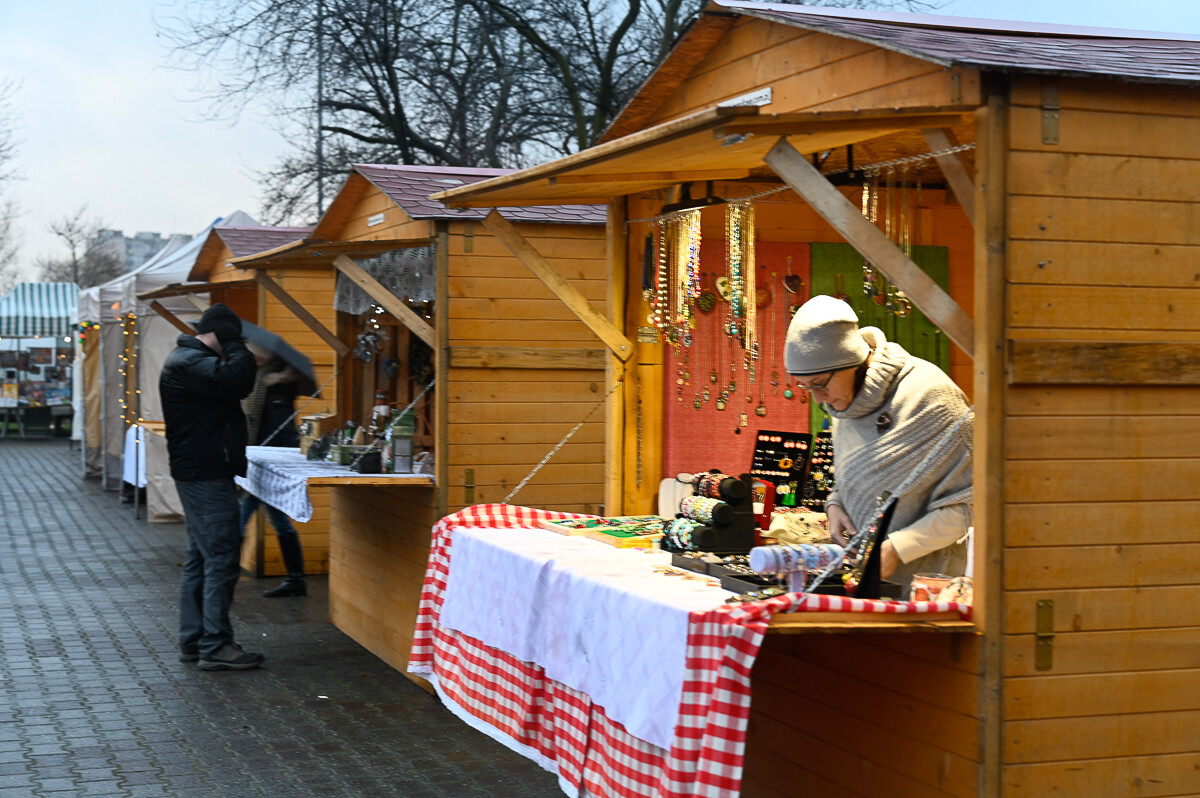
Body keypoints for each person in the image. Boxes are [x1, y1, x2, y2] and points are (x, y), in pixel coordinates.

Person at [783, 295, 973, 593]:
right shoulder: (844, 404)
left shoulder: (933, 397)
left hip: (929, 586)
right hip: (865, 580)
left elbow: (969, 505)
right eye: (805, 386)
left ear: (852, 362)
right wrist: (835, 505)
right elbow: (856, 474)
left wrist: (898, 548)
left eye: (819, 383)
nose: (817, 398)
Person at [159, 303, 264, 671]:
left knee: (202, 557)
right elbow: (237, 381)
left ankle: (195, 640)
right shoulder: (189, 361)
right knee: (221, 555)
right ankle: (215, 645)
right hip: (205, 474)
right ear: (222, 335)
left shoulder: (187, 358)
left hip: (199, 471)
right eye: (232, 339)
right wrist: (237, 347)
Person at [240, 351, 307, 598]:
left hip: (270, 463)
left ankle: (223, 574)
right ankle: (296, 579)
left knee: (242, 515)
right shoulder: (260, 378)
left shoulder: (279, 383)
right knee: (278, 521)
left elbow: (283, 429)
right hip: (258, 460)